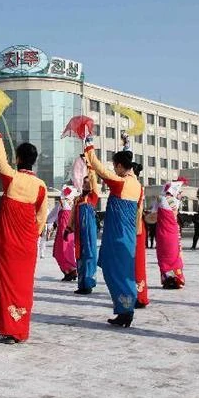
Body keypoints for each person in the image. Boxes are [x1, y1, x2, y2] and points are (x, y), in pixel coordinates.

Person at [0, 123, 48, 344]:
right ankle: (20, 329)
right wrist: (35, 235)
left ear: (19, 159)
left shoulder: (12, 179)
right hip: (27, 246)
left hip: (8, 246)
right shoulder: (41, 186)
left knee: (6, 287)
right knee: (24, 287)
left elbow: (0, 159)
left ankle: (8, 330)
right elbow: (41, 216)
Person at [84, 132, 142, 328]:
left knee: (115, 271)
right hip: (124, 235)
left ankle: (126, 310)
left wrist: (89, 145)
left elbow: (100, 169)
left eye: (115, 165)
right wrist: (127, 145)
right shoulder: (135, 182)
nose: (114, 169)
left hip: (118, 236)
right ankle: (124, 309)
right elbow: (127, 162)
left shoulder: (120, 182)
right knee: (117, 269)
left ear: (119, 166)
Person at [66, 162, 99, 295]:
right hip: (80, 234)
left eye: (88, 182)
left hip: (89, 233)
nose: (86, 184)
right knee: (80, 257)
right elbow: (73, 215)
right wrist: (68, 229)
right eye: (84, 182)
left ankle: (89, 284)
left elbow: (94, 183)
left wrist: (90, 169)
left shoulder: (92, 197)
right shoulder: (78, 199)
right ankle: (82, 285)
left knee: (89, 256)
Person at [155, 179, 186, 289]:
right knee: (174, 254)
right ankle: (177, 278)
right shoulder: (175, 201)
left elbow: (154, 213)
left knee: (163, 255)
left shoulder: (160, 199)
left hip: (162, 232)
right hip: (173, 231)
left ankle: (167, 278)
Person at [132, 162, 149, 309]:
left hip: (135, 228)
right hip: (132, 227)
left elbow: (137, 210)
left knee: (137, 263)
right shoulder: (134, 186)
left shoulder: (136, 187)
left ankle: (140, 295)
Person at [53, 185, 78, 281]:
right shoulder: (74, 205)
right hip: (70, 231)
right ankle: (69, 271)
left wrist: (47, 221)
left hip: (65, 230)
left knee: (61, 251)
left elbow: (53, 214)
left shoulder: (63, 203)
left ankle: (70, 270)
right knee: (66, 250)